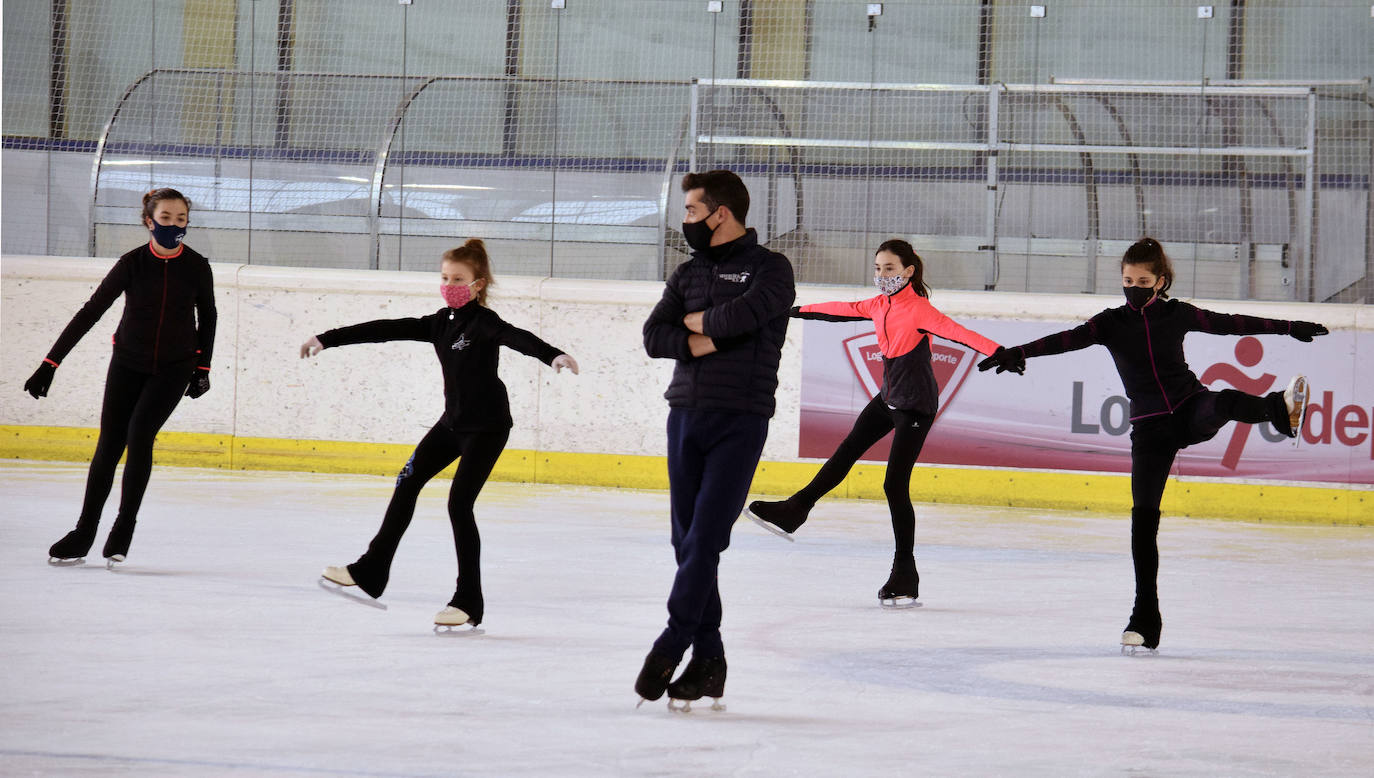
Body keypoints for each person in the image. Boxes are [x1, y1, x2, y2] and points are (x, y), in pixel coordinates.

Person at [977, 237, 1328, 653]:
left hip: (1190, 408)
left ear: (1160, 281)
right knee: (1143, 522)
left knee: (1228, 399)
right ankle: (1145, 618)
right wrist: (1017, 352)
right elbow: (1065, 340)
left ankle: (1279, 412)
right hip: (1150, 430)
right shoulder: (1109, 323)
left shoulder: (1177, 314)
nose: (1133, 287)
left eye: (1142, 280)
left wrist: (1291, 328)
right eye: (1127, 280)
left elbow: (1231, 323)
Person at [301, 239, 578, 630]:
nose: (449, 284)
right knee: (407, 481)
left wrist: (553, 355)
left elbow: (519, 338)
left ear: (477, 284)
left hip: (486, 429)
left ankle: (468, 601)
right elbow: (387, 329)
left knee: (458, 505)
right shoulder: (439, 323)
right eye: (445, 277)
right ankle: (371, 570)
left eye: (458, 279)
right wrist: (328, 338)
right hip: (451, 425)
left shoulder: (485, 323)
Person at [746, 239, 1007, 608]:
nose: (882, 276)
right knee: (847, 450)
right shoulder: (878, 304)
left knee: (893, 485)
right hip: (888, 398)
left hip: (915, 407)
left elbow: (959, 333)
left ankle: (905, 572)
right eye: (878, 268)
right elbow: (841, 309)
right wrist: (793, 310)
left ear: (908, 271)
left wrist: (1003, 352)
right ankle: (795, 509)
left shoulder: (919, 310)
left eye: (889, 269)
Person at [635, 170, 795, 710]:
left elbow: (747, 315)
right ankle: (711, 660)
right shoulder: (686, 272)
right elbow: (655, 337)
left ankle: (672, 642)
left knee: (705, 540)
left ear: (719, 213)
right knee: (685, 543)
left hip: (740, 418)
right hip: (685, 415)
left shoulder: (772, 269)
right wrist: (704, 340)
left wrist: (700, 324)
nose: (685, 221)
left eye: (690, 211)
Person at [26, 188, 216, 567]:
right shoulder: (132, 263)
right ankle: (84, 532)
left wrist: (202, 368)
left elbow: (208, 316)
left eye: (181, 219)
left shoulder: (197, 266)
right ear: (149, 221)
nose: (174, 226)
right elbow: (91, 311)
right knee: (110, 443)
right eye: (165, 219)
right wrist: (51, 362)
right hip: (128, 362)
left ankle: (123, 528)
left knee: (140, 434)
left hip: (174, 367)